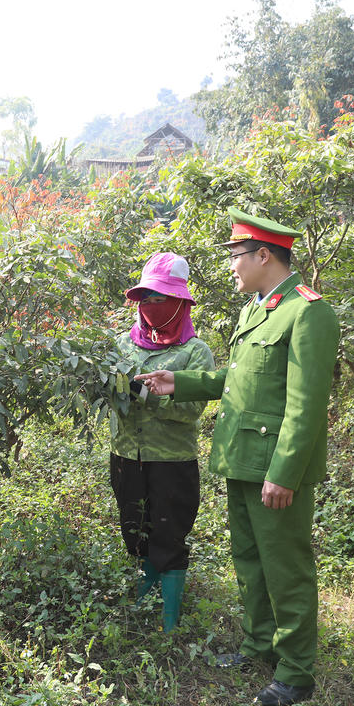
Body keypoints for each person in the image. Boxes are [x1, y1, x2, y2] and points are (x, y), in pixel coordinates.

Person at [135, 207, 339, 706]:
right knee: (250, 561)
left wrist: (284, 473)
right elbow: (241, 379)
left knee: (285, 566)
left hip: (273, 467)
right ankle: (258, 645)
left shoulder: (308, 312)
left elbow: (305, 405)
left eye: (236, 256)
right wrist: (179, 382)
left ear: (263, 255)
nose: (231, 267)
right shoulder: (256, 309)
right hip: (241, 459)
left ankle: (295, 671)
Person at [112, 252, 214, 632]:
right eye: (147, 299)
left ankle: (168, 623)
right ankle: (144, 604)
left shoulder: (194, 352)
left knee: (168, 534)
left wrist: (148, 394)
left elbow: (192, 410)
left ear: (181, 304)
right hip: (125, 455)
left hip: (172, 462)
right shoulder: (123, 344)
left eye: (161, 299)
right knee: (135, 531)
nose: (152, 307)